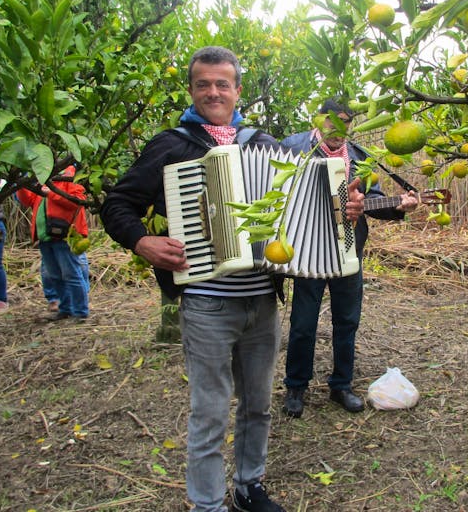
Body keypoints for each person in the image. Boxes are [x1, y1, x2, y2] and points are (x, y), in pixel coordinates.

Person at [100, 46, 363, 512]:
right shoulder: (172, 145)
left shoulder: (267, 145)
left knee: (259, 404)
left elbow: (309, 210)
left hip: (262, 298)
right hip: (206, 300)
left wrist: (346, 207)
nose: (213, 92)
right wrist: (142, 241)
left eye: (223, 83)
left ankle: (248, 488)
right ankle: (206, 504)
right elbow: (117, 204)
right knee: (210, 411)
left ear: (237, 90)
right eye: (203, 84)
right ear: (192, 90)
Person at [280, 98, 419, 417]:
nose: (339, 127)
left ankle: (341, 386)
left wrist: (398, 206)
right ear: (319, 119)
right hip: (307, 249)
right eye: (332, 120)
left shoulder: (361, 157)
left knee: (347, 321)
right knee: (303, 323)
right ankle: (296, 387)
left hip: (347, 249)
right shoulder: (293, 146)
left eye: (346, 120)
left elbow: (374, 201)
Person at [16, 166, 90, 321]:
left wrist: (51, 194)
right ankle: (66, 309)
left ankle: (80, 312)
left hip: (64, 236)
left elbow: (78, 201)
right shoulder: (43, 178)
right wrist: (20, 183)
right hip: (45, 237)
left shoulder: (69, 177)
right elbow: (28, 199)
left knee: (71, 274)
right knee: (55, 276)